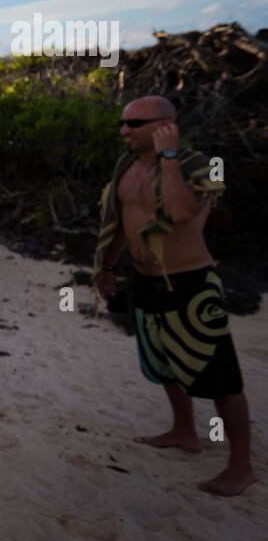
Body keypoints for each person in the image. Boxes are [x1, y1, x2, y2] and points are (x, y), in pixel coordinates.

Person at [93, 95, 255, 496]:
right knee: (163, 363)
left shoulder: (195, 167)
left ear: (166, 124)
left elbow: (182, 213)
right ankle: (185, 432)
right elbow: (121, 220)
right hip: (145, 281)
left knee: (222, 380)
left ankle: (241, 466)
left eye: (135, 123)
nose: (125, 130)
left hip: (192, 285)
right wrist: (108, 267)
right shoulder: (126, 167)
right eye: (122, 123)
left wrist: (168, 157)